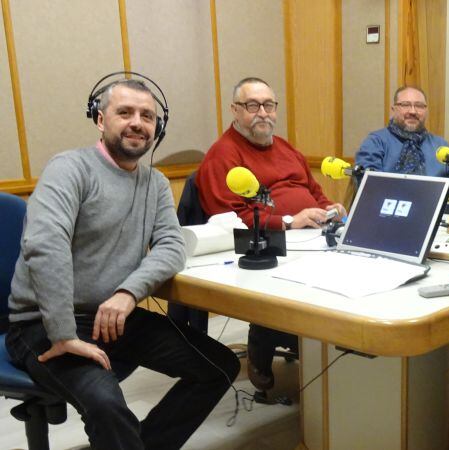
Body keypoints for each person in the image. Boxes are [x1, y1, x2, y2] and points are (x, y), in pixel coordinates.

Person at [6, 78, 240, 450]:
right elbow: (45, 246)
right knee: (107, 405)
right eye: (125, 112)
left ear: (157, 127)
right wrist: (64, 334)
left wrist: (128, 293)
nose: (137, 123)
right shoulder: (69, 169)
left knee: (218, 367)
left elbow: (171, 245)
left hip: (113, 318)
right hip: (44, 324)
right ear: (100, 120)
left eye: (147, 116)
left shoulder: (155, 183)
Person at [196, 77, 345, 393]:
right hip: (267, 246)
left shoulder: (286, 148)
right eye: (253, 105)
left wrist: (328, 208)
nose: (263, 113)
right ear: (235, 110)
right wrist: (288, 222)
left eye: (269, 105)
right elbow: (230, 218)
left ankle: (317, 341)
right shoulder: (223, 154)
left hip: (312, 236)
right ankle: (267, 335)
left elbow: (313, 190)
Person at [355, 86, 449, 190]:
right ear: (393, 110)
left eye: (419, 106)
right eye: (405, 105)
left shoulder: (441, 145)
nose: (413, 111)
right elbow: (369, 185)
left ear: (426, 111)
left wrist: (441, 200)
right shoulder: (376, 142)